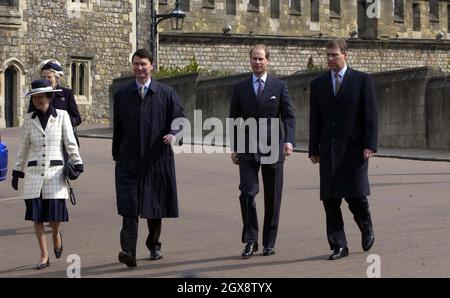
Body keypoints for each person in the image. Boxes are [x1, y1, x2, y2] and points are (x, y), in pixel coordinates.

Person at [112, 49, 184, 268]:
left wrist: (174, 134)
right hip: (129, 160)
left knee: (154, 207)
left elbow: (180, 119)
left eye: (143, 64)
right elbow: (119, 129)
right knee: (129, 208)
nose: (139, 68)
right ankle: (128, 252)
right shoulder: (122, 94)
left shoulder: (166, 92)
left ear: (152, 65)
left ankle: (154, 244)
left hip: (156, 159)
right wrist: (117, 155)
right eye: (136, 64)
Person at [308, 39, 378, 260]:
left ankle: (365, 226)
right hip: (328, 148)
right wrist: (313, 148)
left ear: (346, 55)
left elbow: (371, 115)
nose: (330, 59)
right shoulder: (318, 83)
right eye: (327, 55)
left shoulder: (362, 80)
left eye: (334, 55)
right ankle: (339, 245)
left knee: (355, 195)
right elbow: (315, 119)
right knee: (330, 199)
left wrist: (370, 144)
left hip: (355, 148)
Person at [229, 44, 296, 258]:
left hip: (273, 147)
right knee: (247, 192)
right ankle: (250, 240)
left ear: (268, 60)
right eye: (254, 59)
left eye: (261, 59)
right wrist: (235, 147)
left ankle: (269, 242)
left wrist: (289, 141)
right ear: (250, 60)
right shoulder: (239, 88)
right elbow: (234, 119)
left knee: (272, 197)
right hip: (247, 147)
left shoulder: (279, 86)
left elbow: (288, 116)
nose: (257, 62)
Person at [11, 79, 83, 270]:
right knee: (37, 217)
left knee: (54, 217)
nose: (37, 100)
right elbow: (23, 147)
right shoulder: (28, 119)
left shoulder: (62, 116)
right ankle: (44, 255)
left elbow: (70, 142)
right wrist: (17, 171)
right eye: (34, 97)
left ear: (50, 97)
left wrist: (77, 161)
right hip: (34, 174)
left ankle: (56, 234)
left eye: (41, 97)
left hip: (55, 173)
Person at [30, 60, 82, 139]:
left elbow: (77, 118)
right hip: (42, 137)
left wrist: (62, 123)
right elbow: (31, 116)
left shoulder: (66, 93)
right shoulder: (36, 95)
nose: (46, 79)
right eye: (44, 77)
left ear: (57, 78)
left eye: (49, 77)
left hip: (63, 138)